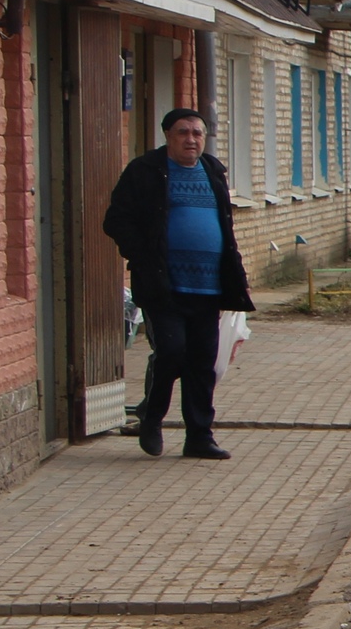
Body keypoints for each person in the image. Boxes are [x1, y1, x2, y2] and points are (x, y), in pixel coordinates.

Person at [103, 107, 253, 461]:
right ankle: (151, 417)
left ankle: (199, 437)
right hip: (164, 285)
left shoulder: (212, 171)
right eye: (183, 132)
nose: (191, 139)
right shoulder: (145, 171)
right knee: (171, 352)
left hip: (208, 286)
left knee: (202, 363)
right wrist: (143, 256)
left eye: (197, 133)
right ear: (168, 137)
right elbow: (116, 220)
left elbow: (224, 227)